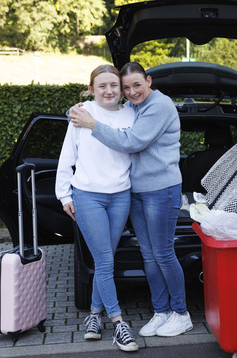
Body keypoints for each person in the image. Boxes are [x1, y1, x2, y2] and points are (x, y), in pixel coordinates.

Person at [69, 62, 193, 338]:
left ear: (149, 81)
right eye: (127, 87)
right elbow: (107, 110)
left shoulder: (159, 106)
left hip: (161, 189)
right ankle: (161, 312)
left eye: (137, 84)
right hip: (136, 190)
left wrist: (91, 123)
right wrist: (80, 110)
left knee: (163, 253)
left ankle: (181, 313)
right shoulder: (135, 107)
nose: (132, 91)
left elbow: (132, 142)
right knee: (148, 254)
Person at [55, 64, 138, 352]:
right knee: (105, 261)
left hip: (120, 196)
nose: (109, 90)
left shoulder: (132, 113)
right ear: (91, 89)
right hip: (88, 196)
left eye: (114, 85)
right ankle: (118, 323)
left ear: (122, 88)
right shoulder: (81, 113)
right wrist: (64, 195)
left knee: (107, 258)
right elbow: (68, 156)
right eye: (101, 85)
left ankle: (93, 314)